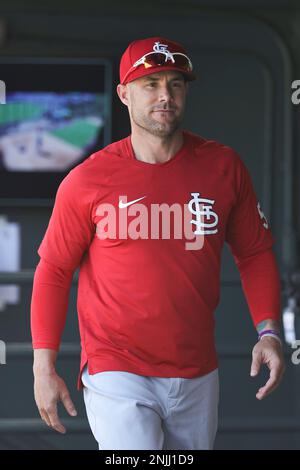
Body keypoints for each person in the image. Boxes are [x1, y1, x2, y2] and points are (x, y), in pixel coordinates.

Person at [31, 36, 285, 450]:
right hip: (118, 368)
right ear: (124, 94)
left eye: (175, 84)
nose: (165, 95)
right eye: (150, 84)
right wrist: (44, 367)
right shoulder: (87, 180)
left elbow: (254, 253)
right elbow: (54, 271)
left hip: (197, 369)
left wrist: (269, 332)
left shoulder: (223, 167)